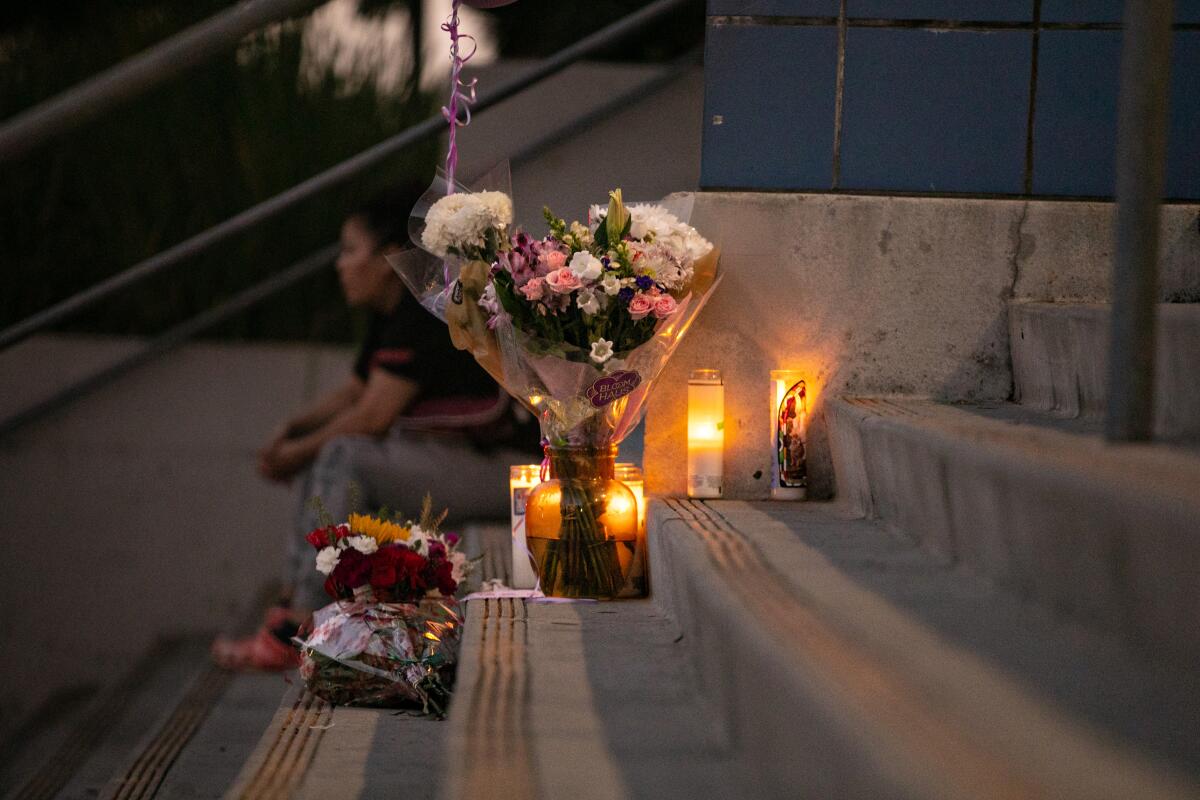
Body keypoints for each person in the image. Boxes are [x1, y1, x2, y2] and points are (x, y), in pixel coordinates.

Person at [212, 185, 539, 670]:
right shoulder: (394, 311)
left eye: (350, 251)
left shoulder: (421, 313)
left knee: (342, 454)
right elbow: (354, 390)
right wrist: (290, 430)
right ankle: (291, 606)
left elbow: (371, 416)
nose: (340, 265)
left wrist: (294, 452)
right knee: (330, 453)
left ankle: (298, 619)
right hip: (464, 460)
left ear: (388, 255)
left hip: (512, 472)